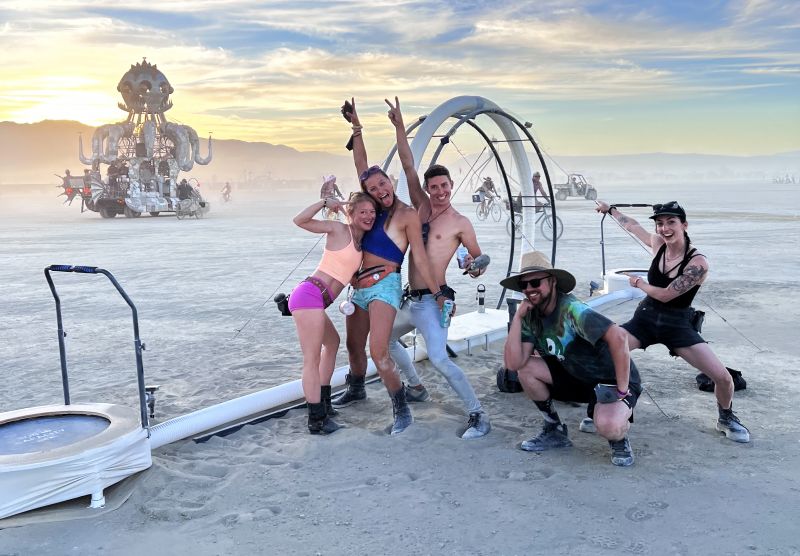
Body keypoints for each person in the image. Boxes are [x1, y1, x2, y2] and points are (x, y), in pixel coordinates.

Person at [380, 97, 492, 439]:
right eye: (434, 187)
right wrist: (400, 127)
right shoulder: (422, 207)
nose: (440, 191)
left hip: (434, 300)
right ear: (427, 190)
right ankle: (416, 386)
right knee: (382, 342)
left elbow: (478, 262)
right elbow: (408, 165)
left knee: (441, 360)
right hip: (409, 300)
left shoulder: (461, 222)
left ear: (451, 185)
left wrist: (473, 268)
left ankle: (478, 414)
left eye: (444, 186)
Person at [331, 97, 444, 435]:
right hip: (358, 289)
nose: (380, 190)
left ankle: (401, 408)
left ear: (390, 182)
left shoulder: (407, 215)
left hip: (385, 286)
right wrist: (356, 127)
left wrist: (438, 292)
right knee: (353, 347)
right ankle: (356, 388)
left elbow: (419, 257)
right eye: (372, 188)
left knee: (378, 351)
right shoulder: (372, 211)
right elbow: (361, 163)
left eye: (383, 184)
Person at [594, 200, 750, 443]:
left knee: (723, 378)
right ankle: (605, 406)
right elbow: (632, 226)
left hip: (676, 325)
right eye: (660, 223)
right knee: (603, 351)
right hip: (644, 319)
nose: (664, 228)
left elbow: (666, 295)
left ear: (684, 225)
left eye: (671, 222)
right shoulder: (658, 245)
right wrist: (610, 210)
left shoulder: (697, 263)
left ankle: (726, 417)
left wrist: (639, 283)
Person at [502, 250, 642, 466]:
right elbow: (513, 363)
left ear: (552, 281)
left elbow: (619, 337)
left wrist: (622, 390)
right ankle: (554, 429)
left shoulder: (572, 309)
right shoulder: (530, 315)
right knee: (526, 368)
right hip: (574, 375)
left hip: (609, 381)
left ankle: (618, 437)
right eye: (524, 285)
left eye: (536, 282)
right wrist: (518, 318)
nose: (529, 289)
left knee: (609, 427)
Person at [288, 192, 377, 434]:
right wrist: (325, 203)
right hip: (309, 295)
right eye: (363, 212)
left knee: (333, 343)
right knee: (311, 359)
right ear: (351, 213)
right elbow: (300, 220)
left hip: (317, 299)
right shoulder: (339, 230)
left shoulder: (361, 243)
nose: (368, 216)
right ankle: (316, 419)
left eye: (372, 212)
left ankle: (324, 403)